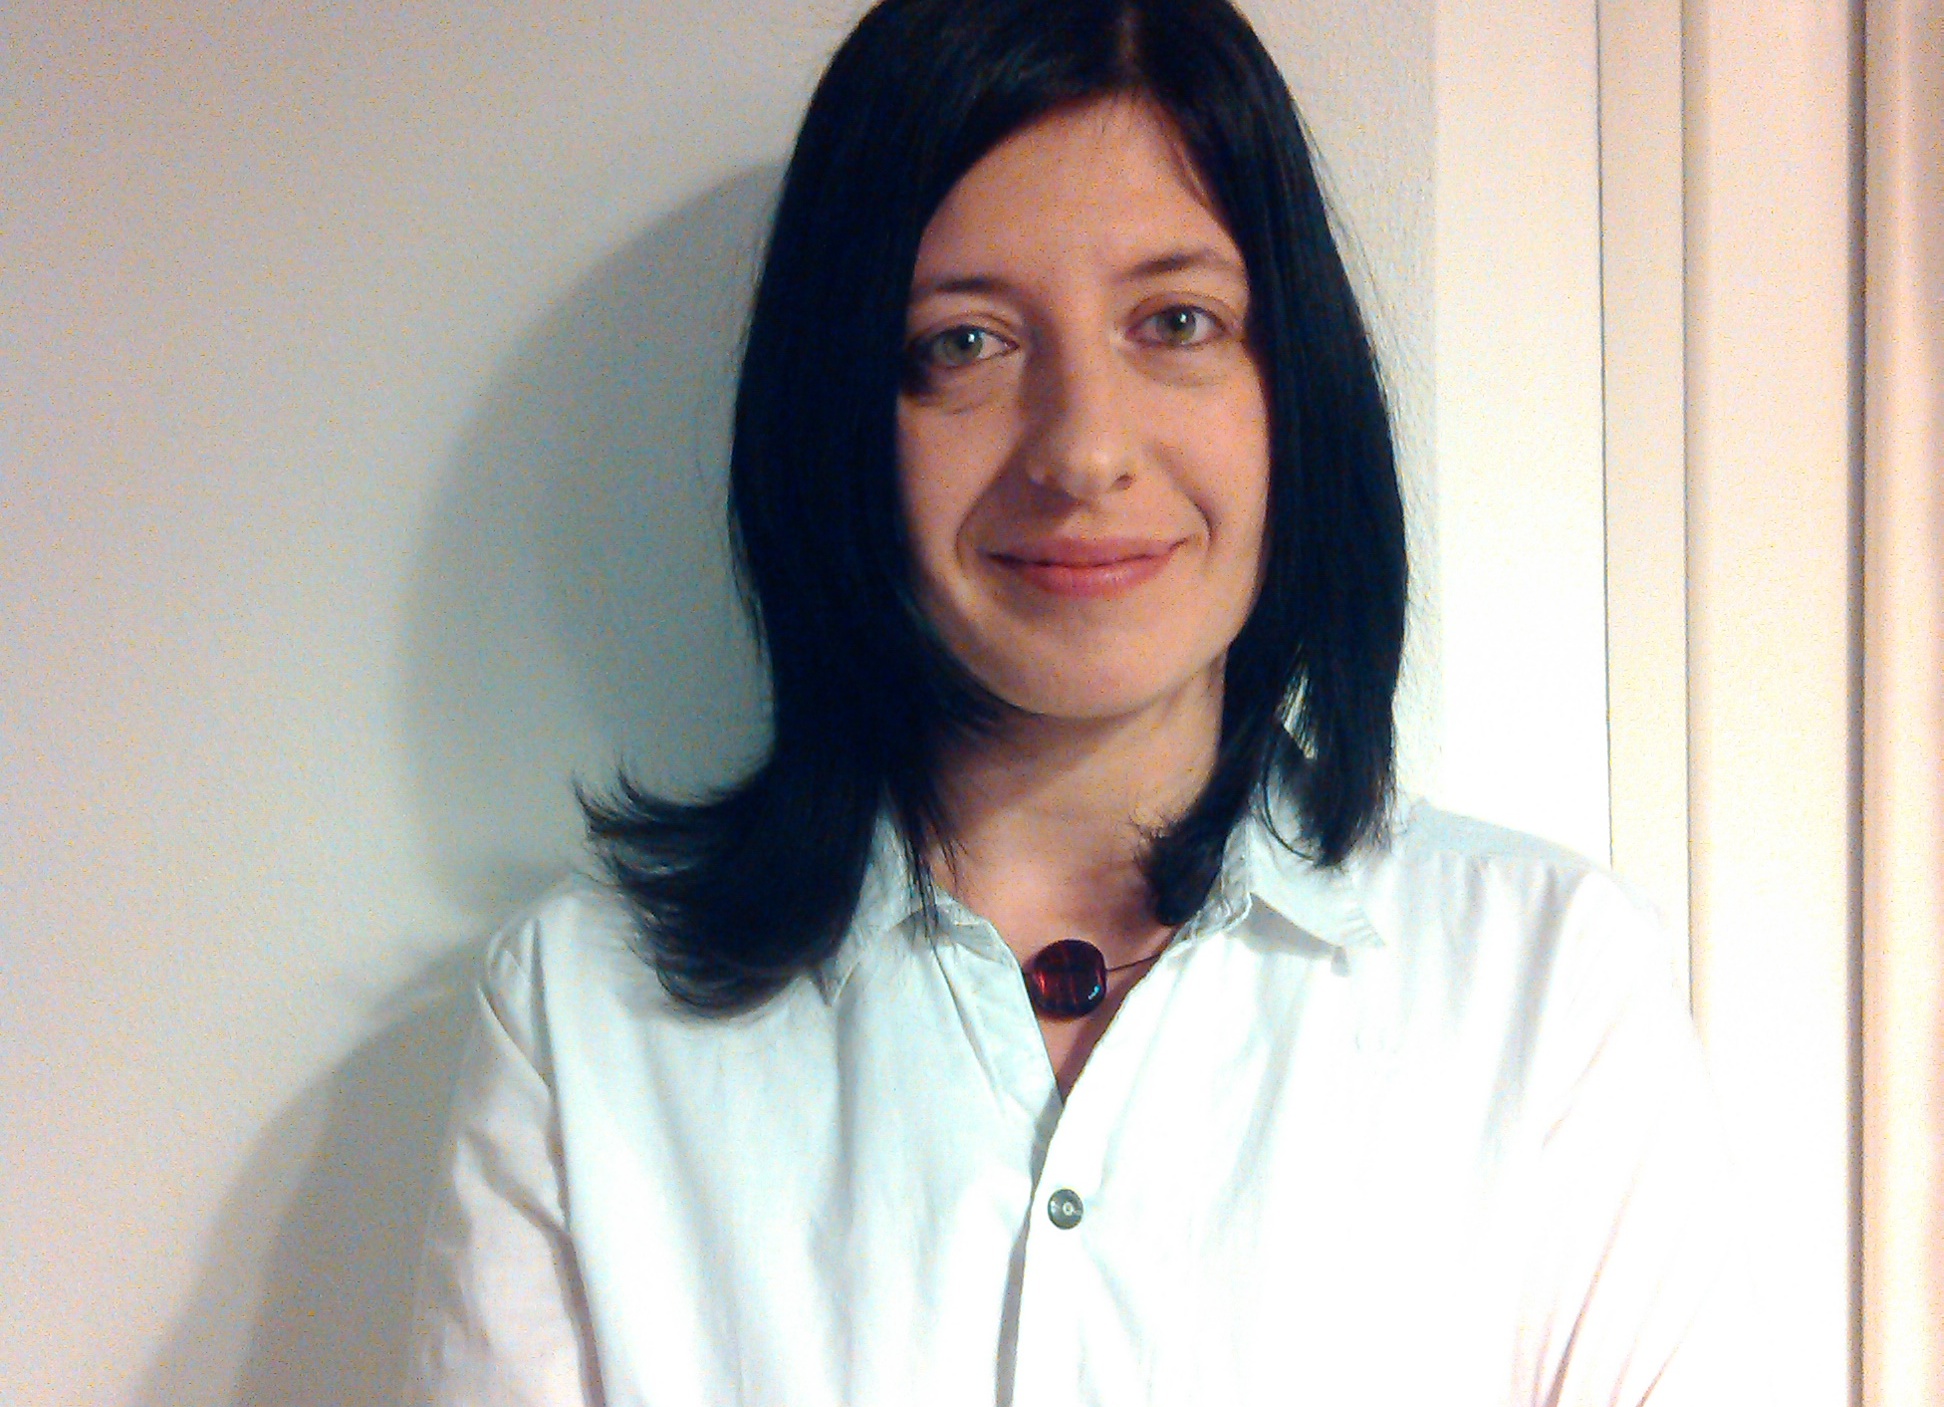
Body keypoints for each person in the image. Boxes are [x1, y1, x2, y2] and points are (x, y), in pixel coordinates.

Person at [406, 0, 1755, 1401]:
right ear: (840, 413)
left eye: (1176, 322)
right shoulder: (585, 1022)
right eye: (966, 342)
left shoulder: (1545, 992)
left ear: (1291, 385)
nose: (1084, 449)